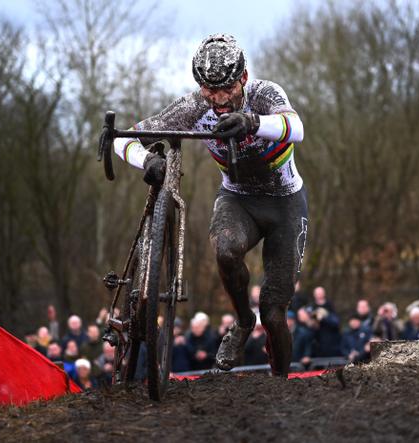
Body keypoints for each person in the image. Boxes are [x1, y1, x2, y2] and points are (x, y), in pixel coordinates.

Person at [113, 34, 307, 377]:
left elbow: (296, 128)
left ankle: (281, 385)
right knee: (225, 249)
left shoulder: (264, 94)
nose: (217, 99)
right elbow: (125, 139)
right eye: (208, 90)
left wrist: (253, 122)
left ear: (243, 78)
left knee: (274, 312)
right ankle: (242, 321)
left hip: (285, 204)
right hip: (238, 199)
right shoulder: (193, 107)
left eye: (226, 90)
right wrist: (146, 161)